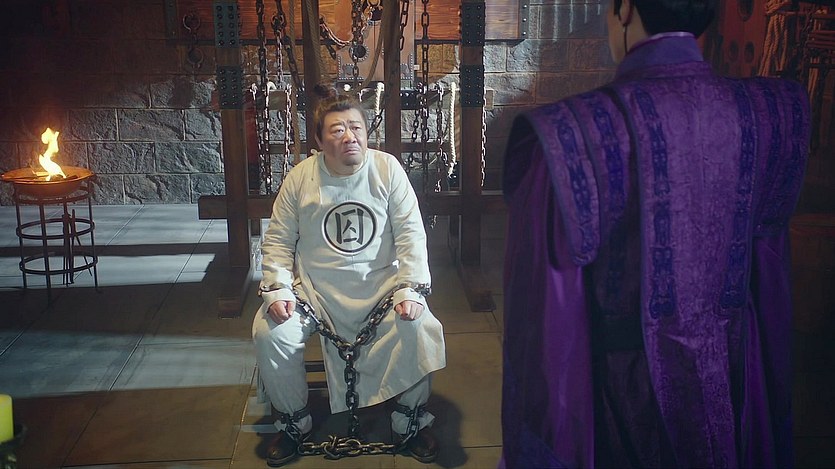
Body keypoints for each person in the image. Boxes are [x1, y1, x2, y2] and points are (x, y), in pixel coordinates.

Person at [500, 0, 810, 467]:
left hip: (622, 399)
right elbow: (771, 285)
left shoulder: (571, 136)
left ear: (624, 9)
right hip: (731, 387)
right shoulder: (770, 114)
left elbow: (545, 324)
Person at [252, 85, 446, 467]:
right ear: (320, 141)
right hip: (316, 293)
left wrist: (410, 287)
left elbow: (411, 234)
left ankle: (409, 421)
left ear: (366, 132)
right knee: (270, 332)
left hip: (381, 289)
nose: (349, 136)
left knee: (419, 326)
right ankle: (293, 424)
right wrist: (277, 288)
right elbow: (277, 239)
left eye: (356, 127)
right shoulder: (300, 178)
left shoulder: (387, 169)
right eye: (337, 130)